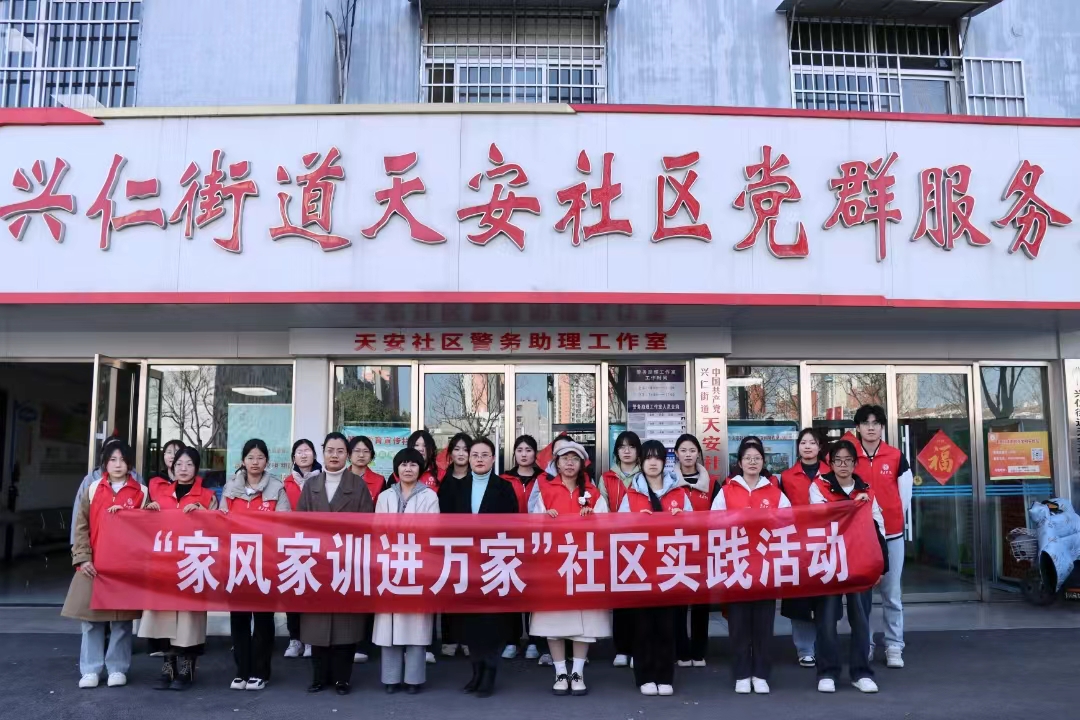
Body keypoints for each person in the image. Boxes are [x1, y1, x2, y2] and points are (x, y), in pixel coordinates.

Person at [438, 437, 519, 699]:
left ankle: (489, 674)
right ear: (468, 459)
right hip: (465, 562)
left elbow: (513, 526)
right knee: (470, 622)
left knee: (491, 622)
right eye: (475, 455)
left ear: (494, 459)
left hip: (493, 561)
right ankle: (475, 672)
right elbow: (445, 523)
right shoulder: (456, 487)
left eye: (485, 455)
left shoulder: (503, 488)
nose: (480, 459)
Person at [61, 440, 147, 689]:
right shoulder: (93, 487)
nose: (118, 465)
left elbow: (147, 529)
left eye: (122, 460)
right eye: (112, 460)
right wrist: (82, 557)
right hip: (94, 564)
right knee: (91, 619)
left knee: (121, 620)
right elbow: (81, 526)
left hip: (124, 567)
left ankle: (118, 668)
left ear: (129, 464)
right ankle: (90, 669)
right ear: (104, 463)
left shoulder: (141, 491)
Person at [528, 441, 610, 696]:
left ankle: (578, 672)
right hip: (555, 565)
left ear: (582, 463)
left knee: (584, 623)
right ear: (557, 463)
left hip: (584, 564)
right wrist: (545, 520)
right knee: (554, 622)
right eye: (565, 458)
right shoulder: (546, 491)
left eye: (575, 458)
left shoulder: (594, 493)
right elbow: (532, 528)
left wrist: (593, 518)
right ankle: (560, 671)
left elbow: (606, 528)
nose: (570, 463)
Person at [298, 432, 375, 695]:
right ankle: (319, 677)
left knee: (345, 624)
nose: (334, 455)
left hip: (346, 562)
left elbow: (367, 524)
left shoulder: (358, 485)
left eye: (340, 451)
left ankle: (343, 678)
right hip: (317, 564)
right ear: (323, 453)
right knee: (317, 624)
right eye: (330, 450)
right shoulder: (311, 485)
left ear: (347, 455)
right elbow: (299, 524)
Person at [711, 442, 791, 695]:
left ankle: (761, 673)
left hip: (766, 564)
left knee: (763, 623)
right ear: (740, 462)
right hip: (736, 564)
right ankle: (742, 673)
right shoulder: (727, 491)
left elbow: (789, 521)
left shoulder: (775, 493)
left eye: (757, 458)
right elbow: (714, 523)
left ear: (763, 462)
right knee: (738, 623)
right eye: (748, 458)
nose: (753, 462)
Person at [809, 439, 886, 694]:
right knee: (826, 619)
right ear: (830, 463)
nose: (843, 465)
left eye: (848, 460)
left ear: (855, 464)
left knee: (861, 619)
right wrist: (853, 505)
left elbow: (878, 527)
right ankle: (827, 672)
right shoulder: (818, 486)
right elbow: (820, 518)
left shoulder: (867, 491)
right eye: (838, 460)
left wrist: (881, 566)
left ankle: (861, 672)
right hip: (829, 562)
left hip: (860, 562)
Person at [618, 439, 691, 697]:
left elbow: (694, 528)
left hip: (671, 568)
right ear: (641, 461)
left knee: (667, 625)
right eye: (648, 457)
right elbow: (619, 530)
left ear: (665, 462)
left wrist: (681, 520)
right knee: (643, 626)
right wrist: (637, 522)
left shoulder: (679, 493)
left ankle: (665, 675)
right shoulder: (631, 495)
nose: (653, 462)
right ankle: (645, 675)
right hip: (641, 568)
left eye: (657, 457)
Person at [140, 447, 216, 690]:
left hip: (192, 565)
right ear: (172, 467)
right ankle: (168, 666)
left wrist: (205, 514)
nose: (184, 469)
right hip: (163, 566)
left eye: (189, 464)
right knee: (163, 618)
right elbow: (144, 526)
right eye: (179, 464)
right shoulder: (159, 493)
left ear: (197, 468)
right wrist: (148, 511)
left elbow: (219, 528)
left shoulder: (207, 496)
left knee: (188, 619)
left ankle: (187, 668)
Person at [844, 404, 912, 669]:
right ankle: (867, 644)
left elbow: (904, 498)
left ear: (882, 427)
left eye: (875, 423)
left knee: (891, 594)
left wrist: (891, 522)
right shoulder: (849, 456)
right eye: (865, 423)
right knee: (862, 597)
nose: (871, 428)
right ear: (857, 427)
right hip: (860, 536)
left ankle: (894, 645)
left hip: (892, 535)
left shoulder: (895, 456)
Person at [221, 438, 290, 691]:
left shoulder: (277, 488)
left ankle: (260, 672)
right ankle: (242, 671)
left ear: (267, 461)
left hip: (266, 563)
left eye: (260, 457)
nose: (255, 462)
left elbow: (284, 525)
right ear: (243, 461)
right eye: (250, 457)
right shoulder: (230, 488)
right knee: (239, 619)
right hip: (237, 563)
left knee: (262, 620)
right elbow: (220, 525)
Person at [374, 448, 440, 694]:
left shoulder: (430, 496)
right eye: (403, 464)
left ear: (420, 469)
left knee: (416, 625)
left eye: (413, 464)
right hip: (390, 564)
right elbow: (378, 530)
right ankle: (390, 678)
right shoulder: (385, 496)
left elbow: (431, 530)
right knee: (389, 626)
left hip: (417, 565)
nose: (408, 469)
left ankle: (414, 679)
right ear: (396, 469)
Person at [780, 428, 829, 669]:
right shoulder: (787, 476)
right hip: (797, 543)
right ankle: (804, 648)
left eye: (812, 442)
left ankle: (825, 645)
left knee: (825, 596)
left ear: (820, 447)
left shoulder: (831, 473)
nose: (807, 446)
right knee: (799, 598)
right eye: (803, 443)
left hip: (826, 542)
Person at [500, 434, 548, 662]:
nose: (524, 454)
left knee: (535, 593)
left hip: (537, 541)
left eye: (528, 450)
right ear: (514, 454)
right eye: (519, 450)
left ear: (535, 454)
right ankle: (511, 639)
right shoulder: (504, 479)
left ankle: (535, 641)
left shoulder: (545, 478)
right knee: (511, 591)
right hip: (509, 542)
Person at [670, 433, 714, 668]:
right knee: (677, 603)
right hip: (675, 549)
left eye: (692, 450)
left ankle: (699, 651)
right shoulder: (667, 481)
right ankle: (681, 651)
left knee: (700, 603)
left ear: (698, 453)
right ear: (676, 454)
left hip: (703, 549)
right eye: (683, 450)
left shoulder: (712, 483)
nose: (688, 455)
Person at [599, 430, 641, 669]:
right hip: (616, 542)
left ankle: (637, 647)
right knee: (621, 598)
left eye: (631, 446)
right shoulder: (607, 478)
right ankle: (622, 649)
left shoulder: (645, 475)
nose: (627, 451)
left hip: (642, 543)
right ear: (616, 451)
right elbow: (601, 508)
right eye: (622, 446)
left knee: (639, 597)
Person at [282, 438, 321, 660]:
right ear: (293, 457)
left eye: (307, 450)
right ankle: (295, 639)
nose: (304, 454)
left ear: (314, 455)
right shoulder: (285, 482)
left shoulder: (323, 479)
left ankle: (311, 639)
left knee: (313, 592)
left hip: (317, 543)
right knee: (293, 592)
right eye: (299, 451)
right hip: (292, 544)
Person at [70, 437, 144, 545]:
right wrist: (78, 547)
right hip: (96, 545)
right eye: (112, 458)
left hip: (128, 546)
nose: (117, 464)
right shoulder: (90, 481)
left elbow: (144, 519)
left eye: (121, 458)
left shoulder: (137, 480)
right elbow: (80, 516)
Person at [350, 435, 386, 502]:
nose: (361, 455)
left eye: (366, 451)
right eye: (357, 451)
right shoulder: (339, 477)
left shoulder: (380, 481)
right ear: (349, 454)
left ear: (371, 455)